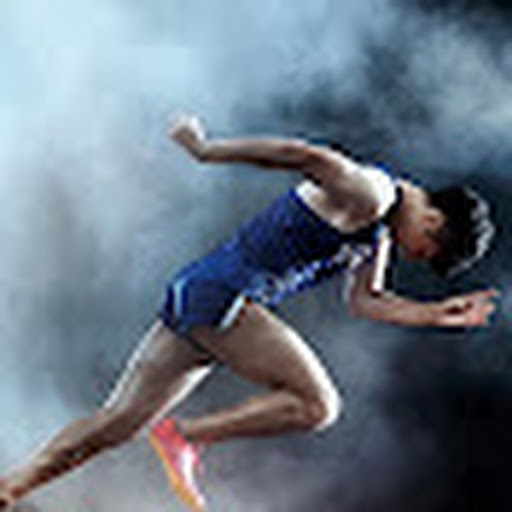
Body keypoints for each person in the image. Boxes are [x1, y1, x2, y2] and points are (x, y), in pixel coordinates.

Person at [0, 116, 498, 511]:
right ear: (433, 220)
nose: (415, 256)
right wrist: (206, 150)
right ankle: (184, 435)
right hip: (227, 295)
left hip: (202, 293)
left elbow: (365, 300)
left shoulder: (378, 232)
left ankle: (10, 488)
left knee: (117, 424)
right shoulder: (373, 194)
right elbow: (304, 156)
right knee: (319, 406)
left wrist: (434, 314)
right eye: (426, 251)